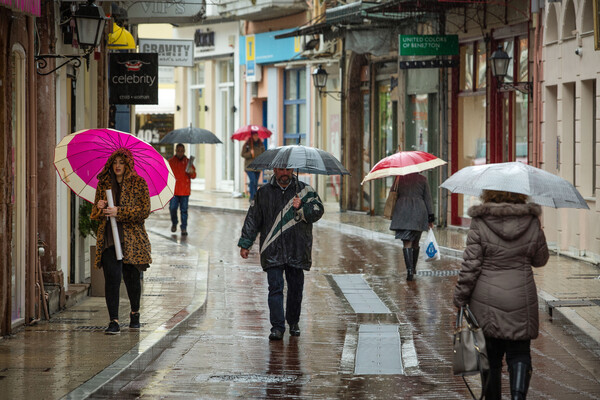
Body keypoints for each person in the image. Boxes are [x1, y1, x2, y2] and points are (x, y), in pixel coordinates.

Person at [453, 190, 549, 400]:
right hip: (521, 297)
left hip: (486, 301)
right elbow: (540, 259)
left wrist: (460, 297)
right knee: (520, 353)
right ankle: (517, 396)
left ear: (489, 194)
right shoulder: (531, 220)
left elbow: (471, 265)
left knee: (491, 358)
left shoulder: (480, 221)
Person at [238, 168, 324, 341]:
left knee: (295, 289)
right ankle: (277, 327)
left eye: (287, 169)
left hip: (297, 247)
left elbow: (318, 210)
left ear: (292, 170)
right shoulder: (264, 193)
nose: (284, 172)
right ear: (275, 170)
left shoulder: (305, 190)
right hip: (272, 247)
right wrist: (246, 243)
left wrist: (303, 207)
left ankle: (293, 321)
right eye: (281, 169)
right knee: (275, 288)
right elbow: (253, 218)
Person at [91, 148, 152, 335]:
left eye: (122, 162)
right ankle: (114, 321)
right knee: (112, 278)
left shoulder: (139, 183)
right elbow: (94, 213)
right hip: (110, 238)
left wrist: (120, 212)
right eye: (115, 162)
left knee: (132, 278)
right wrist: (100, 207)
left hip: (131, 239)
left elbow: (144, 211)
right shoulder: (104, 184)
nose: (118, 166)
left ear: (128, 164)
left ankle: (134, 313)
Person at [389, 173, 434, 281]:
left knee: (407, 242)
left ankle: (409, 271)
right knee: (416, 241)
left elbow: (392, 193)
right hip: (419, 211)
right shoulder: (423, 179)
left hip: (403, 211)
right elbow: (427, 198)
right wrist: (430, 217)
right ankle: (413, 268)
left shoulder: (399, 178)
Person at [168, 143, 196, 236]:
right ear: (176, 151)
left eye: (182, 151)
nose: (180, 153)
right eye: (178, 151)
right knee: (172, 208)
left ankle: (184, 228)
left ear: (184, 151)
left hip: (184, 191)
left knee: (184, 210)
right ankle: (174, 223)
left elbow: (194, 176)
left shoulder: (189, 162)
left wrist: (192, 172)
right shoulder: (170, 162)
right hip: (174, 191)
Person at [241, 129, 266, 203]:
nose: (256, 137)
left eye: (257, 135)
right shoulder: (247, 144)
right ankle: (252, 197)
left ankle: (254, 197)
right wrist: (250, 154)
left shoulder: (260, 144)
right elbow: (242, 154)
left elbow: (263, 153)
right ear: (251, 136)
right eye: (254, 135)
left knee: (256, 182)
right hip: (249, 167)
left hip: (257, 166)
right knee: (253, 181)